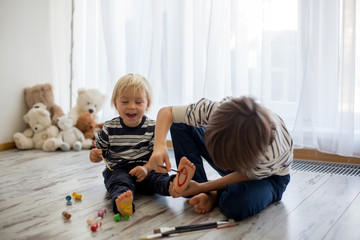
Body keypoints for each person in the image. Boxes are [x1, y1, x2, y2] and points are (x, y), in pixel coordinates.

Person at [149, 96, 293, 221]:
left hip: (269, 178)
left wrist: (203, 187)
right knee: (180, 123)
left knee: (236, 205)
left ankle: (212, 193)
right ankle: (197, 188)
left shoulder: (270, 151)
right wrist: (159, 146)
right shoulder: (216, 110)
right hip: (245, 163)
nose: (222, 167)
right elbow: (167, 112)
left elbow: (244, 175)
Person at [89, 73, 195, 217]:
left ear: (147, 105)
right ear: (115, 104)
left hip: (146, 168)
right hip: (118, 169)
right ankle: (122, 202)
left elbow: (157, 158)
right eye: (125, 101)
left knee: (159, 177)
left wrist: (146, 169)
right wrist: (94, 155)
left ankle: (173, 185)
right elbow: (98, 151)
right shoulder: (109, 127)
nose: (132, 106)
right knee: (118, 182)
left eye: (138, 102)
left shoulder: (153, 127)